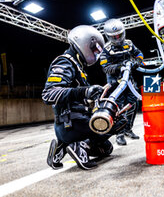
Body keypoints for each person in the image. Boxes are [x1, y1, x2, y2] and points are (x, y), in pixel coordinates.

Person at [42, 25, 126, 170]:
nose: (95, 53)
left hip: (75, 124)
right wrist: (85, 91)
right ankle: (78, 145)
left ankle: (61, 147)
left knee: (106, 149)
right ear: (85, 42)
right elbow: (49, 94)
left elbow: (80, 96)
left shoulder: (78, 66)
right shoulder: (64, 61)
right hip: (72, 124)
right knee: (117, 123)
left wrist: (96, 94)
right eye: (94, 49)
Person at [100, 18, 144, 146]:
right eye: (114, 36)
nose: (118, 38)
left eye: (119, 35)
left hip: (129, 80)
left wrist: (137, 62)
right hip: (115, 83)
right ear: (108, 36)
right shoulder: (106, 49)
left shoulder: (129, 44)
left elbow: (139, 54)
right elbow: (105, 68)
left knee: (133, 104)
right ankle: (119, 134)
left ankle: (128, 129)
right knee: (117, 107)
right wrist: (120, 66)